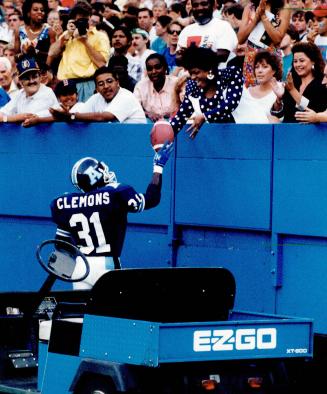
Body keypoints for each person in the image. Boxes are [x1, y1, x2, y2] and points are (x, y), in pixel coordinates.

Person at [50, 141, 174, 289]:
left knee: (82, 310)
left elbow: (62, 246)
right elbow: (152, 199)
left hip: (80, 267)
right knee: (111, 311)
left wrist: (59, 272)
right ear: (96, 175)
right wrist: (158, 168)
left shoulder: (65, 203)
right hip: (106, 266)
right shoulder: (116, 192)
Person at [170, 46, 243, 138]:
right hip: (219, 138)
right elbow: (181, 117)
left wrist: (205, 116)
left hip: (244, 132)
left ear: (210, 70)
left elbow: (231, 103)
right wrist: (165, 133)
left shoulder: (231, 74)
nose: (192, 77)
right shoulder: (192, 86)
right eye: (191, 73)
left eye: (196, 72)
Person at [47, 1, 110, 102]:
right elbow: (52, 53)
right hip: (66, 84)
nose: (82, 22)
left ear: (90, 18)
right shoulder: (67, 35)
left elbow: (102, 63)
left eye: (85, 18)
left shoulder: (99, 36)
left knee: (86, 116)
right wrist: (67, 35)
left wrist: (85, 41)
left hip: (88, 83)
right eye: (79, 19)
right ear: (73, 20)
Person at [49, 65, 147, 123]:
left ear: (117, 82)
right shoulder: (96, 98)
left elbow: (102, 117)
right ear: (96, 88)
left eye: (109, 81)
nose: (106, 86)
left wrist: (71, 116)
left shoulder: (126, 96)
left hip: (137, 140)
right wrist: (38, 120)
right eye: (101, 84)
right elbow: (75, 115)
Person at [237, 0, 291, 86]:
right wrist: (256, 19)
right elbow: (240, 39)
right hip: (252, 58)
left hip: (270, 59)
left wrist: (263, 16)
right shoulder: (250, 7)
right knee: (252, 92)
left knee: (270, 92)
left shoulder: (283, 8)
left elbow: (277, 39)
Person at [273, 42, 327, 122]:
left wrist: (293, 90)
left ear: (313, 61)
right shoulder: (291, 82)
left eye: (302, 61)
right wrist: (279, 100)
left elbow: (312, 112)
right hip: (287, 130)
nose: (298, 64)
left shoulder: (322, 82)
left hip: (311, 131)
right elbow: (279, 115)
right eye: (295, 61)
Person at [177, 0, 238, 67]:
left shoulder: (223, 26)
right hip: (189, 76)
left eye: (204, 4)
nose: (199, 8)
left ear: (213, 5)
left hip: (216, 75)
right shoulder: (186, 30)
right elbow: (178, 59)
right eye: (195, 5)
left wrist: (189, 55)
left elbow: (222, 56)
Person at [0, 55, 58, 123]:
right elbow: (2, 113)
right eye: (26, 78)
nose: (31, 81)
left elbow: (28, 118)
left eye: (34, 77)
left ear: (40, 77)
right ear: (20, 81)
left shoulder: (47, 92)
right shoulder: (20, 93)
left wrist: (8, 118)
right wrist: (12, 118)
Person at [232, 50, 284, 123]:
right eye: (257, 67)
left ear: (274, 70)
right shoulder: (245, 91)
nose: (259, 71)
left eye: (265, 67)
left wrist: (279, 99)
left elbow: (281, 119)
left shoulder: (281, 88)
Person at [134, 53, 178, 121]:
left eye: (157, 67)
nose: (153, 72)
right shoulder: (140, 86)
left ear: (165, 68)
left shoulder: (176, 83)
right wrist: (148, 114)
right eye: (149, 69)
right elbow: (134, 110)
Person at [14, 0, 56, 65]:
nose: (39, 12)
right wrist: (23, 53)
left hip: (43, 71)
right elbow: (15, 57)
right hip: (25, 70)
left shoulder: (49, 31)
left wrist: (36, 52)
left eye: (42, 10)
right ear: (28, 13)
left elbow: (53, 55)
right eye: (35, 10)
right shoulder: (19, 31)